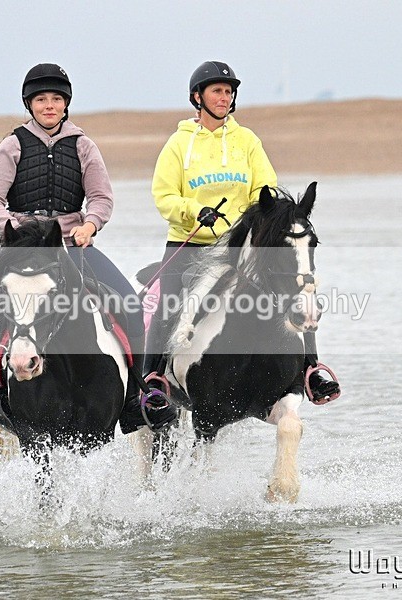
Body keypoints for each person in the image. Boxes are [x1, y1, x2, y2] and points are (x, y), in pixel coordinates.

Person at [0, 63, 176, 440]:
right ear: (30, 104)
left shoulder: (84, 146)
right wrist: (15, 229)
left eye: (56, 99)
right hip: (22, 250)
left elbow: (102, 197)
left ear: (66, 103)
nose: (49, 105)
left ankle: (135, 399)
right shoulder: (11, 146)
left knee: (129, 304)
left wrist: (91, 225)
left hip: (74, 246)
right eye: (41, 99)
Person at [145, 60, 340, 402]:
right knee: (169, 301)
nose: (224, 97)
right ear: (198, 97)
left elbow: (264, 188)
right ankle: (154, 380)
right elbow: (164, 195)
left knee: (297, 287)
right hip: (190, 242)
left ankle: (310, 370)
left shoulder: (247, 140)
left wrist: (253, 220)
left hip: (241, 243)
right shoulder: (178, 145)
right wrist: (194, 210)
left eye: (228, 92)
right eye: (217, 91)